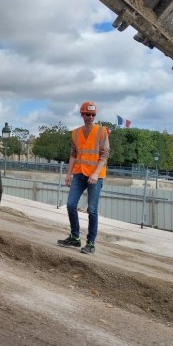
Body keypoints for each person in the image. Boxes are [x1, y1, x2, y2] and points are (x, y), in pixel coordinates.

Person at [57, 101, 109, 255]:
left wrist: (95, 173)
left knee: (92, 210)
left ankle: (91, 243)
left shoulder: (101, 132)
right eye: (87, 114)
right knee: (71, 204)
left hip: (95, 176)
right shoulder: (75, 133)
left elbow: (104, 155)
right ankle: (74, 237)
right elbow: (73, 154)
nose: (90, 117)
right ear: (82, 114)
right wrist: (68, 174)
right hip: (79, 174)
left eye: (93, 115)